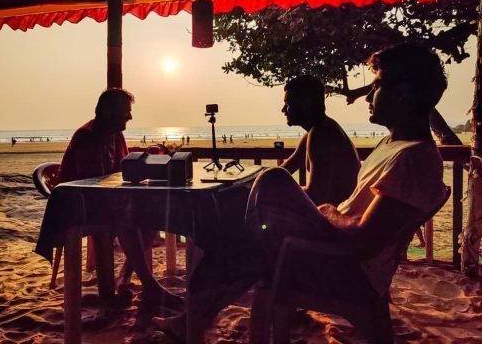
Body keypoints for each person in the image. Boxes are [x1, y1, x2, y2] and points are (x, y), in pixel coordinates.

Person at [158, 43, 448, 341]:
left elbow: (363, 239)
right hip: (324, 248)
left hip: (340, 267)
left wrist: (328, 211)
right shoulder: (391, 145)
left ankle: (191, 319)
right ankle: (192, 314)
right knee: (232, 242)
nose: (368, 97)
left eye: (376, 85)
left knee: (263, 192)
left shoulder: (413, 158)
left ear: (403, 93)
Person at [51, 88, 181, 309]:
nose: (130, 117)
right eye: (126, 112)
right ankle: (148, 287)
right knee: (125, 221)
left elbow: (122, 172)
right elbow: (94, 182)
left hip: (104, 200)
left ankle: (125, 278)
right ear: (110, 112)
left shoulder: (116, 136)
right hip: (76, 204)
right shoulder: (87, 136)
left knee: (151, 220)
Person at [279, 76, 360, 206]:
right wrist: (257, 182)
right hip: (334, 210)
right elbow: (283, 171)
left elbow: (316, 195)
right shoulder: (315, 131)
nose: (283, 110)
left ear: (306, 103)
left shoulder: (321, 134)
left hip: (338, 214)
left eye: (288, 104)